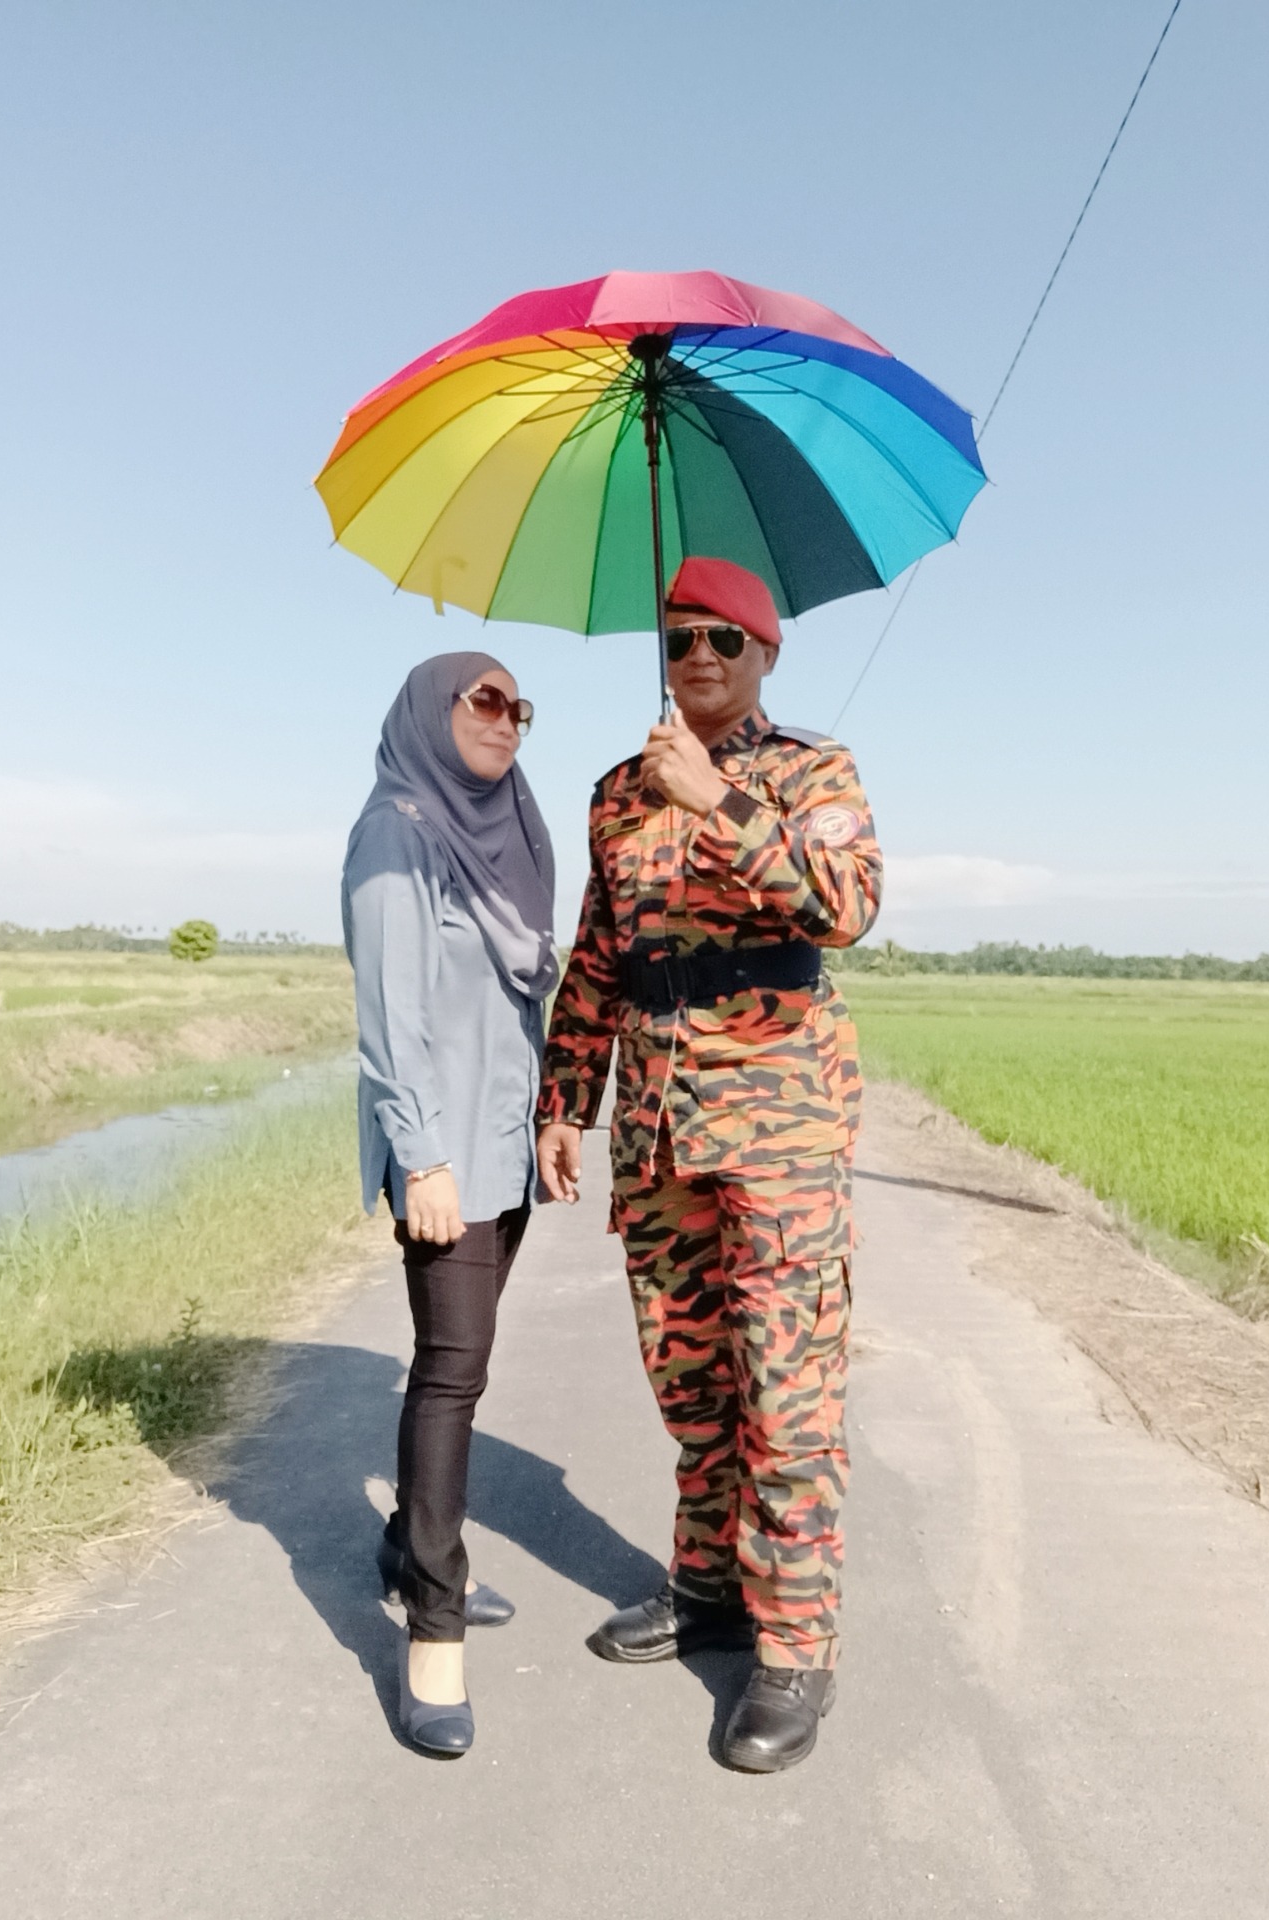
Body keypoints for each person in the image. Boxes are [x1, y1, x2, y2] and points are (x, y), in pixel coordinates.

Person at [537, 556, 882, 1773]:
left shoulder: (811, 773)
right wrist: (565, 1099)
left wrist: (721, 802)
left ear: (764, 655)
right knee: (692, 1385)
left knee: (785, 1394)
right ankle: (711, 1592)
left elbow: (847, 907)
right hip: (659, 1130)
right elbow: (598, 956)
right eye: (680, 637)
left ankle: (795, 1648)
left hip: (781, 1127)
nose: (697, 656)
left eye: (722, 640)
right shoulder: (617, 795)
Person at [342, 651, 557, 1757]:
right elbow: (391, 1018)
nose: (506, 720)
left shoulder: (512, 830)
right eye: (485, 700)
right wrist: (422, 1159)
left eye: (521, 707)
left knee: (455, 1366)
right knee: (452, 1373)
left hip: (503, 1150)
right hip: (446, 1160)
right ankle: (434, 1626)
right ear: (433, 711)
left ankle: (406, 1542)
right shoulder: (400, 832)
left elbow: (523, 1003)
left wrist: (553, 1122)